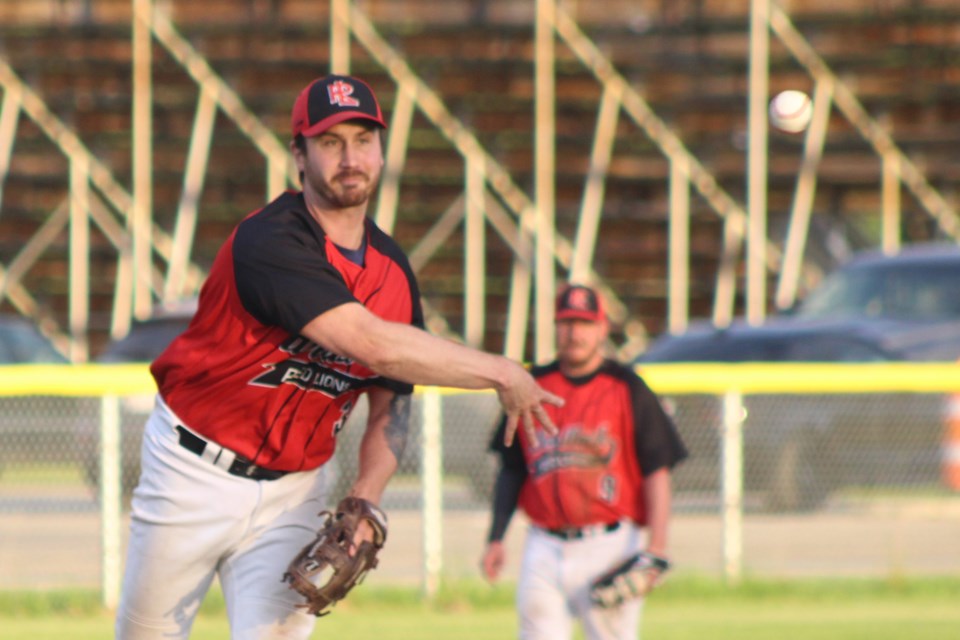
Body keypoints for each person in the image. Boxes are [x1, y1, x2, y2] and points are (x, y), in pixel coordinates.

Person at [115, 74, 562, 640]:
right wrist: (499, 370)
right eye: (329, 142)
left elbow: (389, 406)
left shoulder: (393, 273)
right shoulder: (269, 240)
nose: (350, 157)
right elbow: (371, 344)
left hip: (297, 493)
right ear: (298, 154)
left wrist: (366, 497)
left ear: (381, 150)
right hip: (194, 473)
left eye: (363, 139)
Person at [480, 283, 688, 640]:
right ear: (555, 326)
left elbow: (658, 469)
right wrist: (496, 537)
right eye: (567, 322)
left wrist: (657, 547)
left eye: (585, 323)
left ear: (603, 328)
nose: (574, 332)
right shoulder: (531, 384)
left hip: (609, 545)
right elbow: (512, 468)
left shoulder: (627, 387)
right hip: (543, 544)